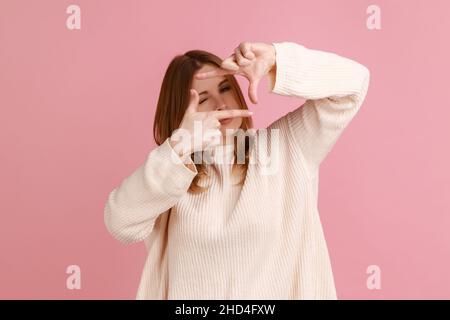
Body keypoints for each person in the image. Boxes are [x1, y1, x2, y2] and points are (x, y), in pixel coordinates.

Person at [103, 41, 370, 299]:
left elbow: (353, 85)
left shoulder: (284, 147)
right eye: (203, 99)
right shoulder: (171, 174)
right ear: (182, 113)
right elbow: (120, 223)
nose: (221, 104)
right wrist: (179, 146)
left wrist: (277, 61)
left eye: (225, 88)